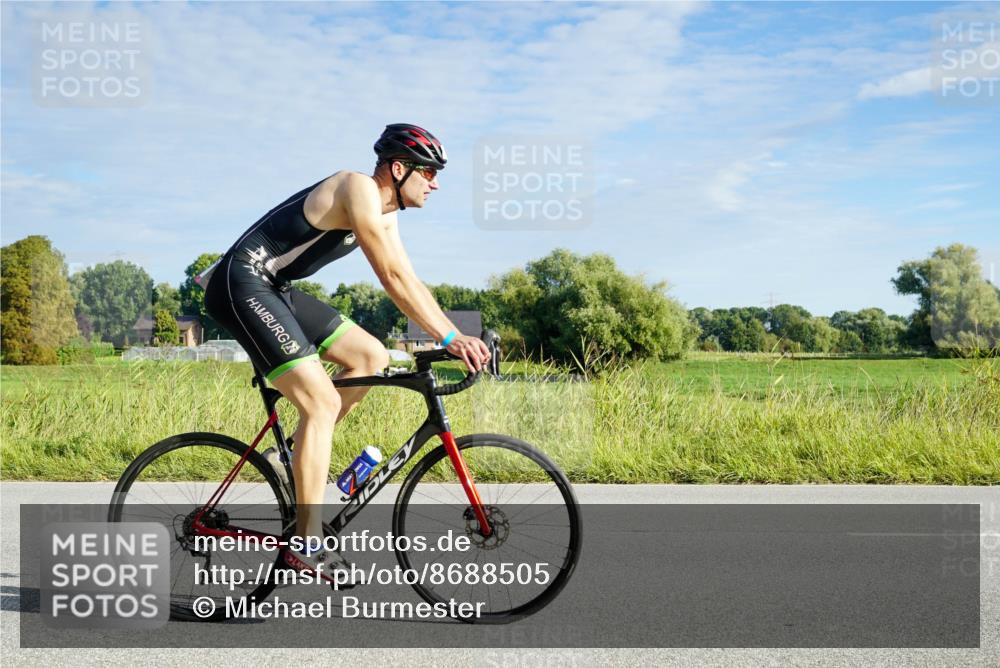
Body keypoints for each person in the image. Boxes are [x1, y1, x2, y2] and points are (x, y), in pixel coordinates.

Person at [199, 123, 491, 581]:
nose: (435, 184)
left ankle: (294, 455)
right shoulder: (357, 188)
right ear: (399, 169)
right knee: (323, 401)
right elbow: (389, 280)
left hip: (274, 286)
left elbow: (408, 278)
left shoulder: (386, 215)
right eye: (429, 173)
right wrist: (452, 340)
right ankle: (307, 541)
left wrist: (452, 335)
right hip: (240, 282)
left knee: (371, 356)